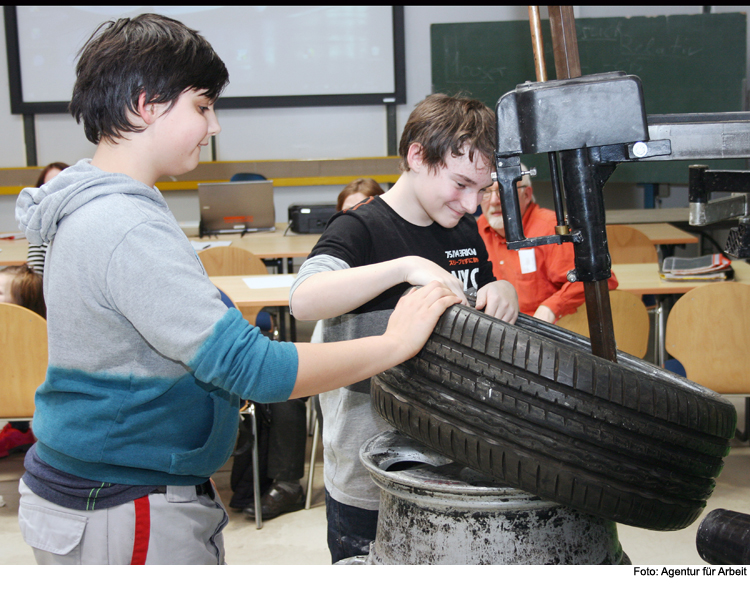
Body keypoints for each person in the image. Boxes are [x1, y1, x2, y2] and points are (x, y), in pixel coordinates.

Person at [14, 14, 459, 566]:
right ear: (145, 104)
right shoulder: (123, 225)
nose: (214, 125)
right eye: (202, 106)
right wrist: (396, 344)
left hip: (119, 489)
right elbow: (258, 370)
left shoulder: (102, 208)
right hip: (125, 501)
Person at [290, 93, 519, 563]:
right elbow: (304, 300)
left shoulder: (461, 231)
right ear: (417, 155)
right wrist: (404, 267)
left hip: (453, 468)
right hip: (372, 479)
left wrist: (503, 291)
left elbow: (482, 295)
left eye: (482, 188)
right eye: (460, 184)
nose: (473, 204)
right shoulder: (360, 229)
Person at [237, 177, 389, 521]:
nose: (355, 219)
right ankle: (288, 483)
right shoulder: (334, 261)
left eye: (363, 208)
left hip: (371, 376)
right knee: (284, 390)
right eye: (347, 212)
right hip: (331, 352)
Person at [478, 167, 618, 323]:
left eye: (502, 192)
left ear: (527, 194)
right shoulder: (475, 230)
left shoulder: (550, 230)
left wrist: (551, 308)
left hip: (545, 332)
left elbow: (601, 278)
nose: (493, 201)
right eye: (485, 192)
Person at [0, 264, 45, 458]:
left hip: (18, 397)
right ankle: (20, 430)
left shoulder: (35, 340)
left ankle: (20, 431)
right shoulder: (42, 334)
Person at [26, 163, 69, 276]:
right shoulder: (39, 226)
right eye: (49, 187)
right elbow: (34, 276)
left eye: (61, 185)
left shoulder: (84, 220)